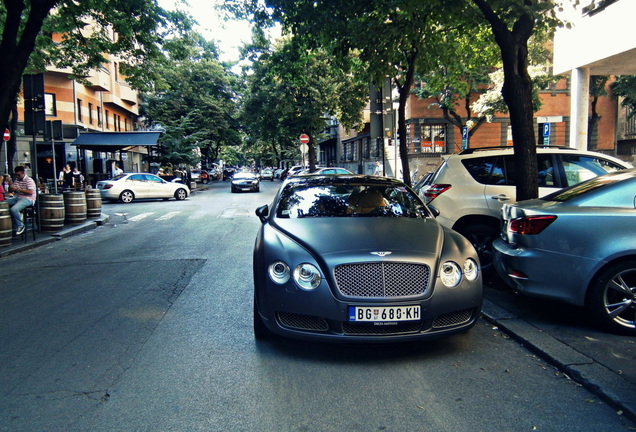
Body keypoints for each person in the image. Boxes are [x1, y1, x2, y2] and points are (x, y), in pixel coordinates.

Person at [7, 166, 37, 236]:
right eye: (16, 175)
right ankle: (12, 225)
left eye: (18, 175)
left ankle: (20, 225)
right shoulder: (16, 180)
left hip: (29, 199)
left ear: (23, 173)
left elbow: (30, 192)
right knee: (3, 203)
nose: (17, 176)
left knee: (14, 209)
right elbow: (11, 190)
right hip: (18, 198)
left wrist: (17, 189)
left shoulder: (29, 180)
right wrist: (10, 184)